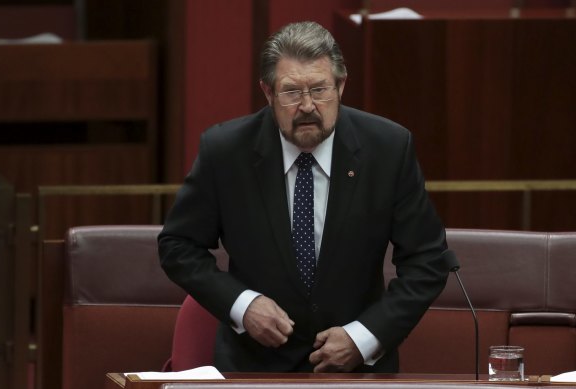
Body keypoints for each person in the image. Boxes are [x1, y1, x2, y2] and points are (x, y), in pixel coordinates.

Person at [159, 21, 450, 373]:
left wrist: (363, 338)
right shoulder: (226, 152)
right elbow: (178, 246)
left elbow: (427, 261)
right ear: (268, 93)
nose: (308, 106)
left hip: (356, 372)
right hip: (253, 368)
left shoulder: (387, 149)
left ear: (341, 85)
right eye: (292, 92)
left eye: (320, 89)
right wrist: (243, 305)